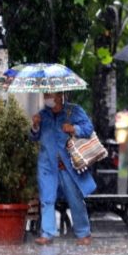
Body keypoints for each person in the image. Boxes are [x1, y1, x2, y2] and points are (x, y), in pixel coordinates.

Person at [30, 92, 96, 245]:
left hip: (68, 165)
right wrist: (35, 126)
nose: (47, 97)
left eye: (50, 94)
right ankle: (47, 233)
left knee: (75, 199)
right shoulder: (42, 115)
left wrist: (73, 128)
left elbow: (88, 128)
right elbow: (34, 137)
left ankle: (83, 233)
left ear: (60, 95)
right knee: (47, 198)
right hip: (47, 165)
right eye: (45, 94)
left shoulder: (73, 111)